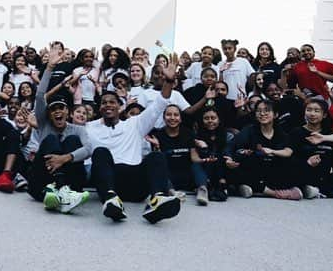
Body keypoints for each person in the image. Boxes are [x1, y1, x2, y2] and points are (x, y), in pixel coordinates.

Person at [86, 56, 182, 223]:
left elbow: (159, 104)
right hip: (110, 182)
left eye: (112, 102)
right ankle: (112, 201)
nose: (108, 105)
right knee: (100, 152)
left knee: (156, 156)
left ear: (119, 106)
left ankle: (157, 200)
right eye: (104, 103)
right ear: (99, 108)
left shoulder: (135, 123)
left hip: (136, 182)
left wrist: (168, 80)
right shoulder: (89, 127)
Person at [27, 43, 91, 213]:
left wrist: (65, 158)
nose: (57, 112)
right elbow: (40, 96)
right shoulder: (44, 124)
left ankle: (62, 192)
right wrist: (49, 67)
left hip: (72, 182)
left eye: (60, 108)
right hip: (42, 182)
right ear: (48, 114)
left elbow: (88, 149)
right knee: (51, 139)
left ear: (68, 112)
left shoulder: (78, 129)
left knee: (72, 140)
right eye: (53, 109)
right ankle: (60, 191)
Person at [224, 101, 302, 200]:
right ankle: (272, 193)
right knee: (242, 159)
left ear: (276, 114)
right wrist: (229, 159)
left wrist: (272, 151)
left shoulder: (281, 133)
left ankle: (254, 188)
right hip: (253, 168)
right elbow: (231, 146)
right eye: (259, 111)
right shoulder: (249, 130)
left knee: (293, 162)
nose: (262, 114)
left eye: (267, 111)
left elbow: (288, 151)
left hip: (272, 170)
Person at [147, 104, 209, 205]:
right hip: (169, 175)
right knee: (159, 170)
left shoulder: (188, 133)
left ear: (180, 119)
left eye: (176, 115)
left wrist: (205, 157)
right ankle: (171, 192)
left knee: (196, 165)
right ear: (163, 118)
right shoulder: (158, 135)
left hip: (186, 173)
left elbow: (194, 158)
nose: (172, 118)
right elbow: (157, 162)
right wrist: (157, 147)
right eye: (168, 115)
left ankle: (202, 190)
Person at [288, 100, 333, 199]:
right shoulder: (296, 132)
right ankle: (316, 190)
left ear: (324, 115)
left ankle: (324, 190)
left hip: (325, 176)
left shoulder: (329, 134)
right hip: (303, 172)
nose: (312, 114)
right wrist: (307, 162)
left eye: (317, 111)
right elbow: (289, 156)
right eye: (309, 110)